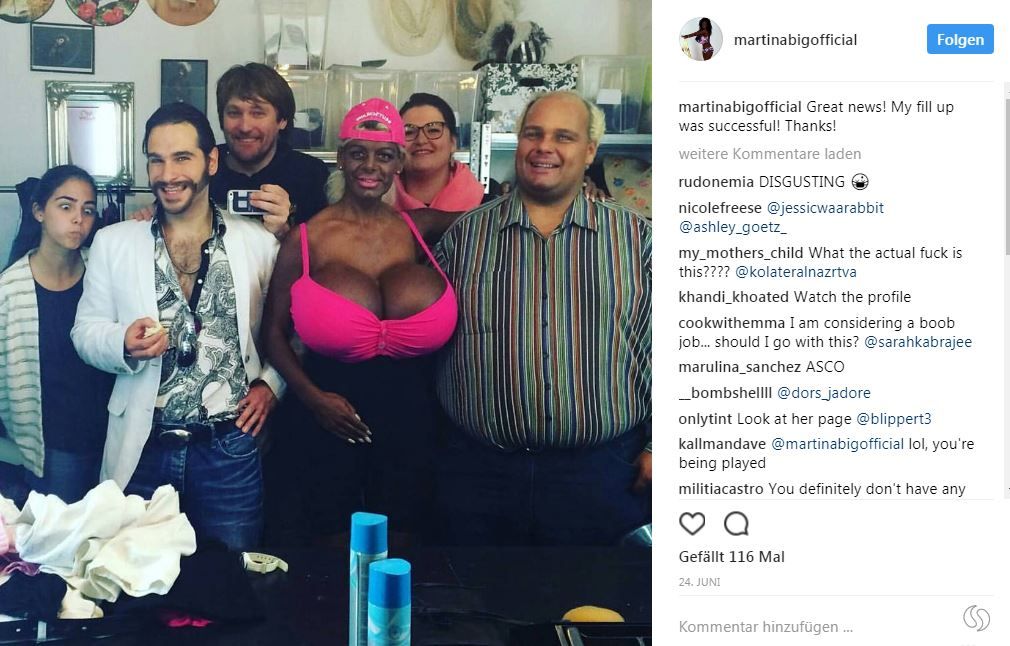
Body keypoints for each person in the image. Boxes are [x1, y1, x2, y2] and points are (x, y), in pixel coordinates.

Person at [434, 90, 652, 546]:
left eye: (563, 137)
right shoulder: (465, 238)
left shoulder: (637, 240)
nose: (544, 147)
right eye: (533, 134)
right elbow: (430, 342)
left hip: (603, 475)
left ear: (590, 150)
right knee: (479, 591)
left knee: (596, 591)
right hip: (481, 476)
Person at [71, 102, 283, 551]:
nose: (167, 175)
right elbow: (84, 331)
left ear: (211, 161)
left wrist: (271, 384)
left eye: (182, 157)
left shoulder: (259, 243)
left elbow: (290, 331)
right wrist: (121, 342)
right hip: (142, 447)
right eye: (156, 160)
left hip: (229, 450)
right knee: (131, 577)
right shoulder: (113, 243)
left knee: (231, 577)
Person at [262, 98, 457, 543]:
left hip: (411, 419)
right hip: (326, 415)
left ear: (399, 163)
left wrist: (587, 189)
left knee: (407, 544)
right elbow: (273, 334)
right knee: (325, 544)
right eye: (358, 153)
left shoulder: (419, 228)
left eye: (384, 155)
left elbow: (499, 211)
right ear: (341, 158)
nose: (370, 166)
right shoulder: (307, 238)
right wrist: (313, 399)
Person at [0, 165, 114, 503]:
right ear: (38, 211)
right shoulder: (9, 292)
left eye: (88, 210)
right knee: (62, 532)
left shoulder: (104, 273)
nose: (78, 219)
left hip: (113, 437)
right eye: (66, 206)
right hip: (51, 448)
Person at [212, 62, 330, 231]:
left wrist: (285, 231)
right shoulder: (202, 170)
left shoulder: (310, 174)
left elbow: (322, 245)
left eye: (257, 113)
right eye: (234, 113)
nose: (245, 126)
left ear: (282, 120)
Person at [393, 93, 484, 216]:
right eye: (409, 132)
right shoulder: (378, 204)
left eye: (433, 130)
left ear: (453, 143)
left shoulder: (488, 206)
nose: (421, 140)